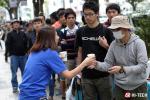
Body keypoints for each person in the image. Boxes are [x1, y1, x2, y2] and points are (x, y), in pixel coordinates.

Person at [19, 26, 95, 100]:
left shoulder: (34, 51)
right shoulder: (50, 53)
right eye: (56, 35)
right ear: (49, 38)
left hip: (24, 93)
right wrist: (85, 62)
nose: (58, 37)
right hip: (35, 95)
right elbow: (68, 75)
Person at [89, 15, 148, 100]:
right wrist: (96, 64)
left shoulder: (138, 43)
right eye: (113, 29)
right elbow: (108, 64)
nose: (114, 32)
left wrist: (122, 69)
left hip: (138, 86)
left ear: (126, 28)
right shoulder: (113, 44)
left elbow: (142, 66)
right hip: (120, 86)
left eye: (117, 29)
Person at [75, 1, 114, 100]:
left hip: (104, 74)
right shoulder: (80, 32)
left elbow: (115, 53)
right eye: (85, 14)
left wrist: (105, 46)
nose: (87, 17)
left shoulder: (107, 31)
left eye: (90, 14)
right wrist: (79, 72)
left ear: (97, 14)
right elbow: (79, 52)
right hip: (86, 75)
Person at [59, 8, 79, 99]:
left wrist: (68, 43)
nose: (71, 19)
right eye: (69, 18)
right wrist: (63, 62)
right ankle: (69, 96)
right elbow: (63, 48)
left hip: (79, 57)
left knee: (79, 78)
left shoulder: (80, 29)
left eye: (73, 17)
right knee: (69, 79)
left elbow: (79, 46)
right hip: (68, 60)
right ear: (66, 19)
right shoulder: (62, 31)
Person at [5, 19, 28, 93]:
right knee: (14, 73)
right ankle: (15, 86)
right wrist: (10, 53)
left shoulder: (23, 33)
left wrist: (26, 51)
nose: (16, 25)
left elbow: (26, 43)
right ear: (12, 25)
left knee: (24, 72)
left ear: (19, 25)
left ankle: (25, 86)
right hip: (14, 56)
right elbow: (7, 44)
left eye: (17, 23)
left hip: (23, 56)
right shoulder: (10, 34)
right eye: (14, 24)